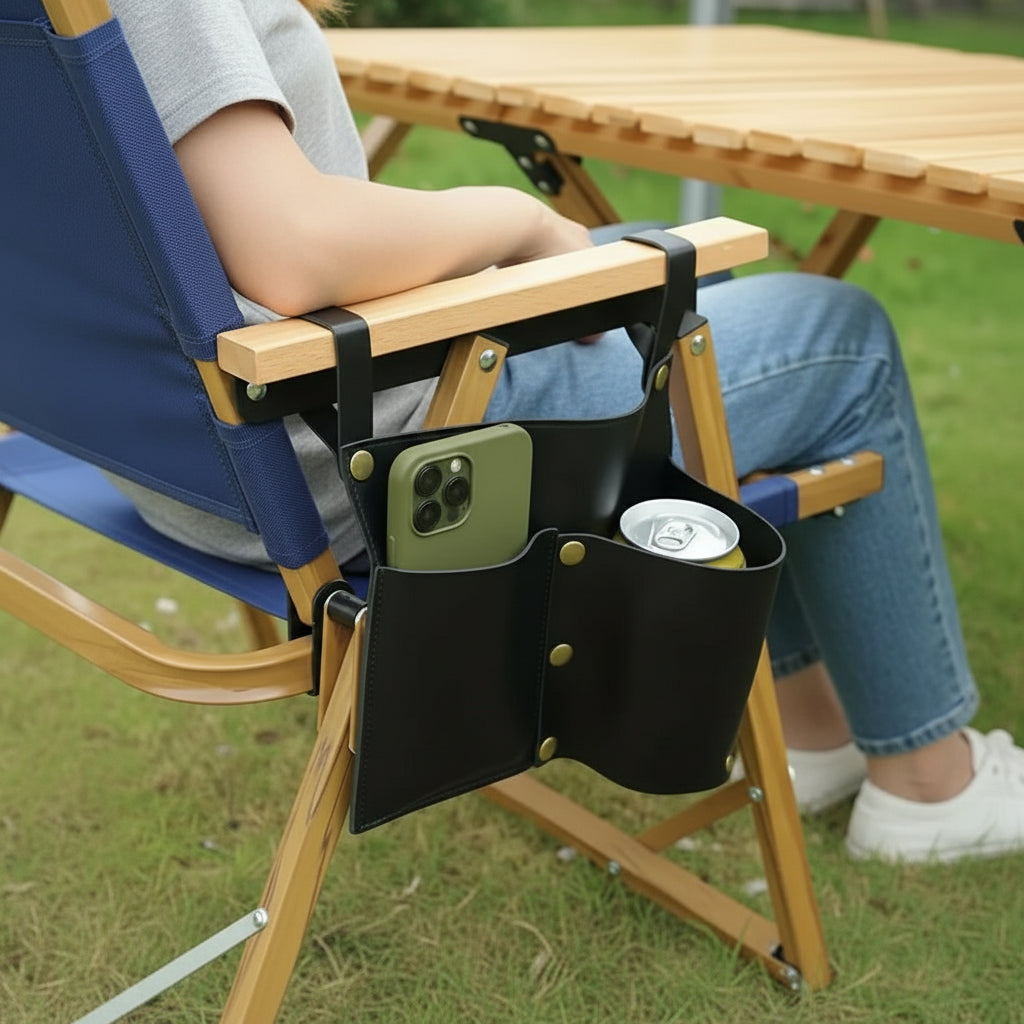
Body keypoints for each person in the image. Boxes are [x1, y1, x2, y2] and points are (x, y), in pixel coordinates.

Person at [108, 0, 1024, 864]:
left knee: (678, 276)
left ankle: (814, 729)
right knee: (845, 340)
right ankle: (928, 788)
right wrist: (518, 217)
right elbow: (292, 246)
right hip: (385, 450)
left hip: (192, 457)